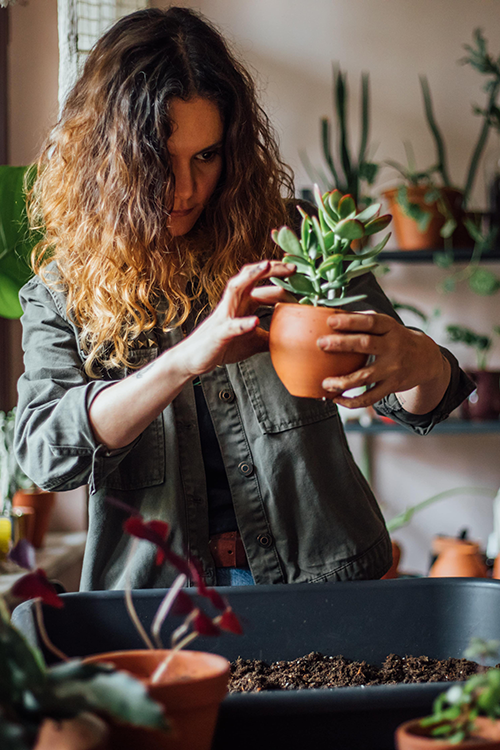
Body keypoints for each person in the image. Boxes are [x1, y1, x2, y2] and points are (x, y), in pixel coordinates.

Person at [15, 7, 473, 591]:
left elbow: (417, 401)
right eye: (157, 159)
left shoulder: (299, 241)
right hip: (160, 608)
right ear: (110, 161)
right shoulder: (63, 291)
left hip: (325, 584)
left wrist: (421, 362)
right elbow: (45, 455)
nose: (184, 190)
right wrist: (185, 360)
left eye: (205, 156)